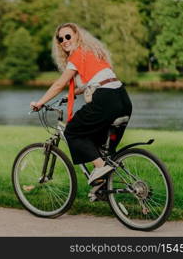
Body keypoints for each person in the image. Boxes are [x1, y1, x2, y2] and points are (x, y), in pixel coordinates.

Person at [30, 22, 132, 186]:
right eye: (60, 39)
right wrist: (72, 94)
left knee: (72, 131)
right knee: (99, 146)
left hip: (106, 99)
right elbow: (96, 80)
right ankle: (105, 185)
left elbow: (59, 84)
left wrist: (40, 103)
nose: (64, 41)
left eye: (68, 36)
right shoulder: (92, 52)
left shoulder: (77, 55)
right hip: (122, 98)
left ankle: (100, 168)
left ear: (77, 36)